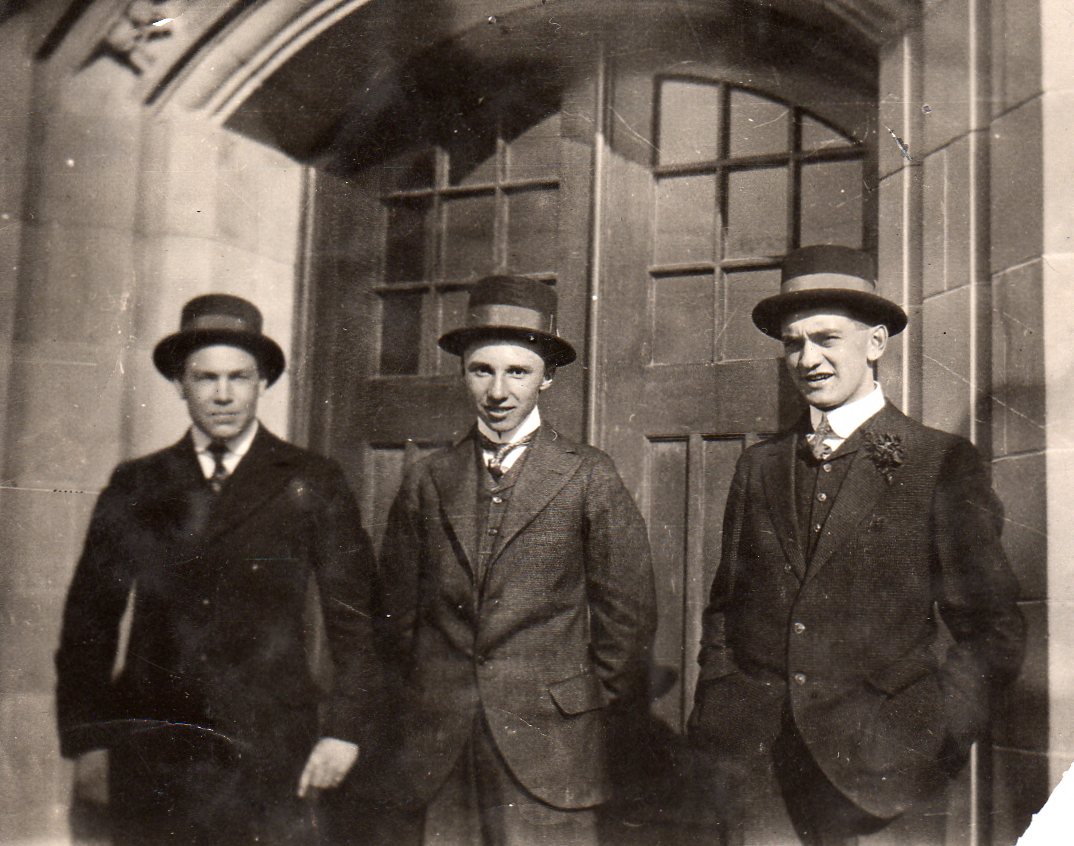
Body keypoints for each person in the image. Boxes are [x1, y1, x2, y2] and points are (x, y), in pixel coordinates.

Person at [687, 246, 1026, 845]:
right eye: (793, 343)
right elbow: (726, 609)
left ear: (875, 343)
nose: (808, 360)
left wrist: (933, 735)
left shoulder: (937, 462)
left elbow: (992, 628)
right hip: (760, 772)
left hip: (884, 777)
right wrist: (722, 707)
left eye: (826, 338)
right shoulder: (758, 467)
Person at [55, 294, 381, 845]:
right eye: (206, 379)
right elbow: (89, 623)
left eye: (240, 377)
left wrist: (345, 732)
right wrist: (88, 742)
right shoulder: (138, 483)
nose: (224, 395)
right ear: (180, 384)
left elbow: (358, 622)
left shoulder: (312, 480)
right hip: (152, 752)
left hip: (272, 752)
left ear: (263, 383)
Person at [370, 274, 657, 845]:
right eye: (483, 370)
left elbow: (627, 618)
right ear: (463, 374)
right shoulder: (428, 479)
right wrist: (425, 701)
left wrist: (578, 707)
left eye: (517, 372)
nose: (498, 391)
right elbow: (394, 618)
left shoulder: (588, 474)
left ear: (546, 377)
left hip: (552, 748)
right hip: (441, 745)